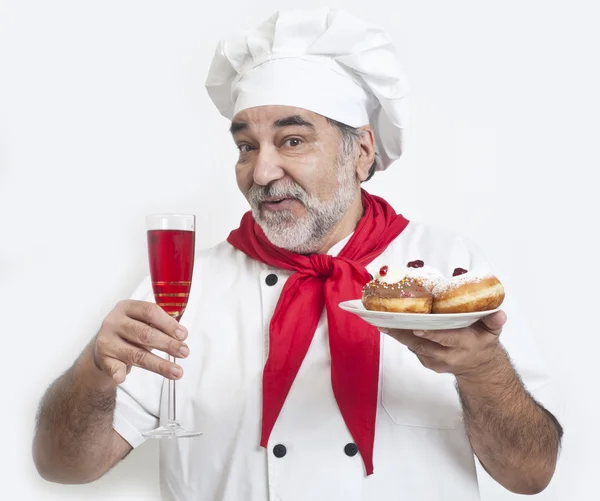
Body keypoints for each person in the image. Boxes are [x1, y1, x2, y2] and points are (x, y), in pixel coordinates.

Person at [32, 8, 562, 501]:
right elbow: (63, 466)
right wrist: (93, 374)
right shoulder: (187, 286)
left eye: (291, 141)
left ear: (361, 152)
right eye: (246, 147)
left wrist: (483, 370)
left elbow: (530, 475)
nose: (261, 174)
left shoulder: (449, 272)